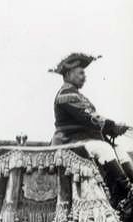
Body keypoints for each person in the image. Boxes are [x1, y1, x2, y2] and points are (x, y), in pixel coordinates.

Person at [49, 52, 132, 207]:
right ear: (68, 74)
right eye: (80, 73)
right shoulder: (66, 94)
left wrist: (114, 129)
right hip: (69, 141)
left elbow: (93, 119)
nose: (84, 77)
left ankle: (125, 195)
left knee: (119, 150)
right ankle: (128, 194)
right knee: (104, 148)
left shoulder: (77, 95)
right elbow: (88, 118)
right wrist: (112, 126)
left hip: (84, 140)